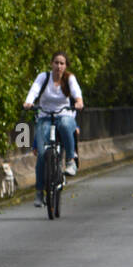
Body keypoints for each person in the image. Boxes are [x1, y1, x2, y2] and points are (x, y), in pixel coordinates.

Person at [22, 52, 84, 205]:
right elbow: (34, 90)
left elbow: (77, 94)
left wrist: (78, 102)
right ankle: (39, 192)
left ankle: (70, 160)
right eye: (56, 62)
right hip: (45, 116)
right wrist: (29, 102)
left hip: (64, 115)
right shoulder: (43, 77)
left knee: (65, 124)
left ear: (66, 66)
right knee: (42, 154)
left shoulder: (70, 79)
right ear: (51, 64)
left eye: (62, 63)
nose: (59, 66)